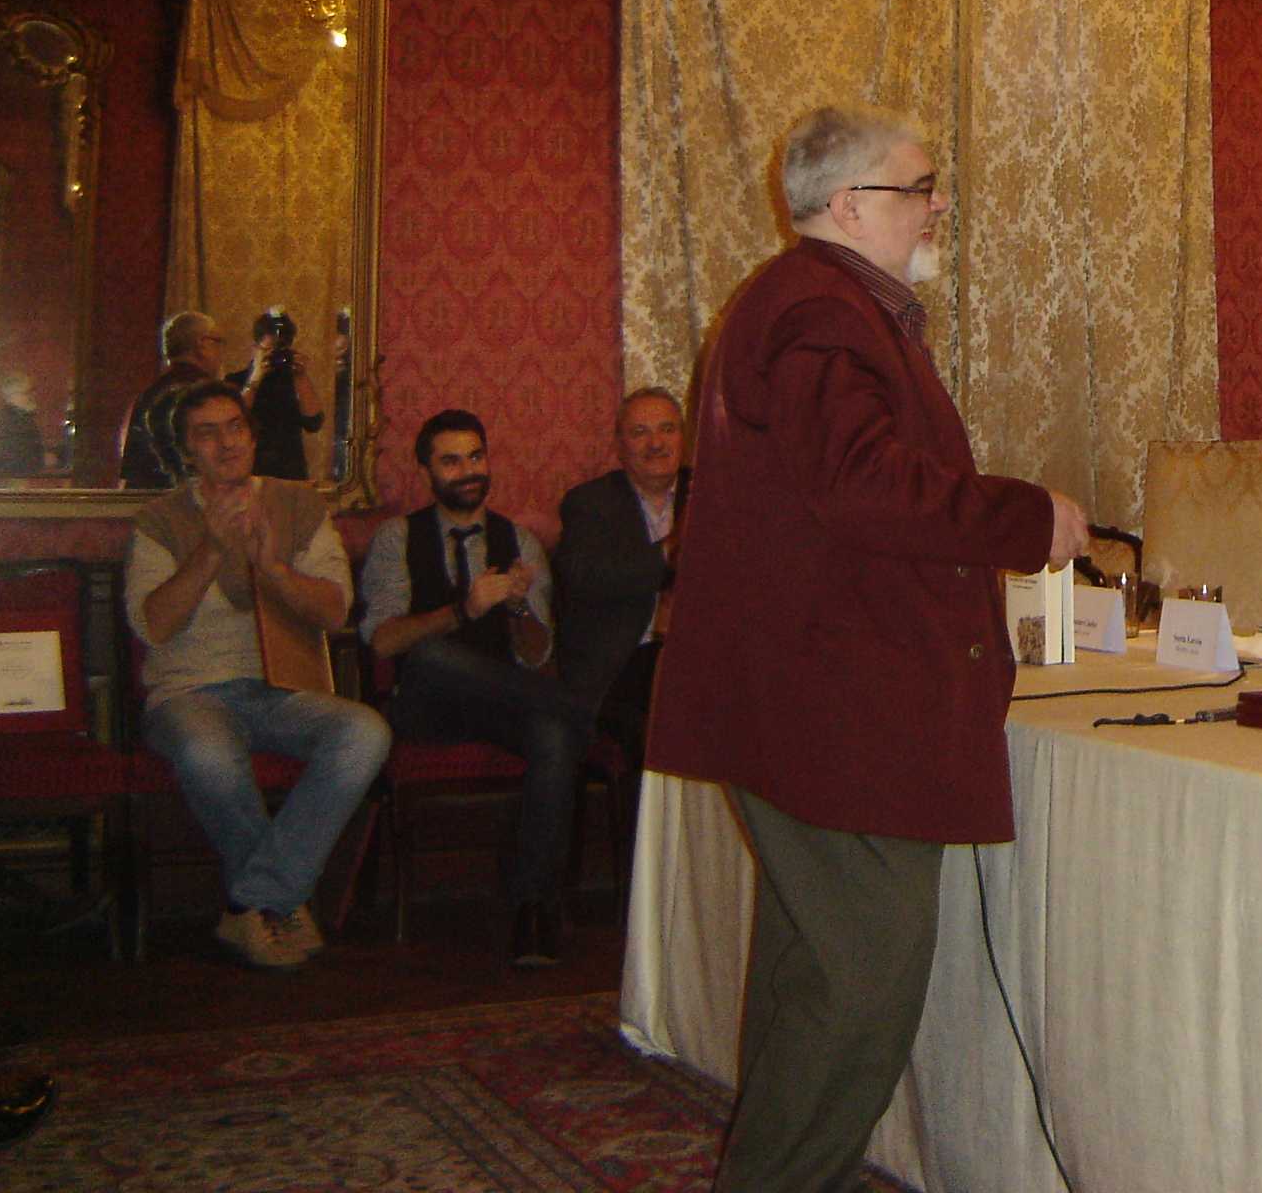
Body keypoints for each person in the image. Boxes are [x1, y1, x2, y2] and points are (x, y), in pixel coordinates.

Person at [645, 105, 1090, 1193]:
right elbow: (865, 487)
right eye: (921, 186)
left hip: (814, 699)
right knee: (862, 984)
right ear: (849, 205)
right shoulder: (821, 313)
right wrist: (1026, 518)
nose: (939, 206)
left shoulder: (814, 303)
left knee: (815, 973)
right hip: (838, 711)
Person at [123, 380, 390, 969]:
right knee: (208, 752)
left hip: (284, 690)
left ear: (252, 434)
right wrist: (212, 549)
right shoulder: (159, 520)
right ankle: (282, 905)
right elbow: (154, 626)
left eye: (235, 428)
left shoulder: (298, 505)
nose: (226, 444)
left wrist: (271, 567)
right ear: (186, 450)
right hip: (189, 694)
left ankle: (254, 902)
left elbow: (334, 609)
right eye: (206, 434)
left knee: (365, 731)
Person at [358, 408, 589, 967]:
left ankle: (532, 908)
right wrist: (463, 611)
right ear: (427, 472)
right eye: (452, 461)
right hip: (425, 706)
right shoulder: (396, 537)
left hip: (500, 702)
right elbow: (383, 642)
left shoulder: (520, 542)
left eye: (476, 457)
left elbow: (536, 655)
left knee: (554, 733)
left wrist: (518, 609)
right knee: (432, 655)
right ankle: (582, 710)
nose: (468, 471)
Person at [553, 386, 687, 768]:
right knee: (655, 717)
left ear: (685, 438)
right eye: (640, 432)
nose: (656, 443)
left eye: (667, 429)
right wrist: (668, 551)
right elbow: (585, 577)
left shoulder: (710, 495)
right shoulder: (589, 504)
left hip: (699, 655)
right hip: (622, 664)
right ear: (619, 446)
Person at [119, 311, 227, 488]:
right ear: (202, 344)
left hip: (146, 498)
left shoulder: (148, 395)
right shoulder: (205, 394)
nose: (222, 353)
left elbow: (132, 470)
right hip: (191, 497)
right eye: (218, 341)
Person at [226, 308, 324, 481]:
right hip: (250, 474)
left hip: (290, 474)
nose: (276, 357)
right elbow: (232, 422)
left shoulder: (293, 381)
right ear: (255, 348)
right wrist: (255, 379)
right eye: (270, 351)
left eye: (281, 351)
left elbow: (314, 423)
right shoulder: (236, 381)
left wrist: (301, 377)